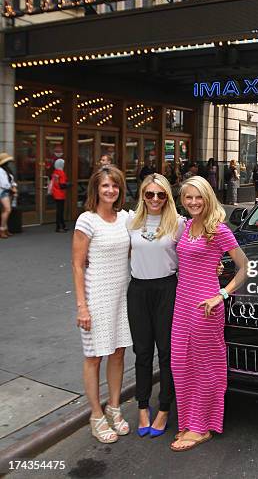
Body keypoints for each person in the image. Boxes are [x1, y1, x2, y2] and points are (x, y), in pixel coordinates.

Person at [170, 176, 248, 451]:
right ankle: (189, 420)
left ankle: (201, 427)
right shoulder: (188, 225)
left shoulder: (218, 230)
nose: (193, 202)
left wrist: (222, 294)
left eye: (198, 197)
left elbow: (244, 268)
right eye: (188, 197)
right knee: (180, 363)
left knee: (205, 366)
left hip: (206, 307)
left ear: (208, 198)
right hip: (182, 304)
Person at [72, 165, 132, 444]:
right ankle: (96, 415)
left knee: (118, 353)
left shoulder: (125, 219)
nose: (110, 190)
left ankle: (114, 407)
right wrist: (82, 306)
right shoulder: (87, 220)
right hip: (96, 297)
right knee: (94, 357)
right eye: (105, 185)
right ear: (96, 189)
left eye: (115, 186)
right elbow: (76, 265)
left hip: (121, 296)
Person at [126, 173, 185, 438]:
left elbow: (192, 254)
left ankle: (163, 407)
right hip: (138, 290)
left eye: (161, 194)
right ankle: (141, 406)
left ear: (167, 197)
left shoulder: (178, 223)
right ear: (142, 195)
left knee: (166, 353)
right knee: (142, 352)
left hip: (167, 290)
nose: (155, 199)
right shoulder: (130, 221)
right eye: (149, 194)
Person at [0, 153, 16, 239]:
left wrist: (14, 186)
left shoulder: (6, 170)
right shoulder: (0, 170)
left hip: (7, 192)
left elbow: (11, 180)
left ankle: (5, 229)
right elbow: (4, 184)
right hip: (3, 192)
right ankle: (2, 229)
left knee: (4, 210)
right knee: (7, 209)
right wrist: (12, 187)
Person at [51, 158, 69, 232]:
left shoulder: (55, 172)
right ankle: (59, 227)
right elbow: (62, 185)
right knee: (60, 211)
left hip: (55, 192)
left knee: (59, 210)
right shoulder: (61, 173)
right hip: (60, 194)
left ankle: (62, 225)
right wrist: (69, 185)